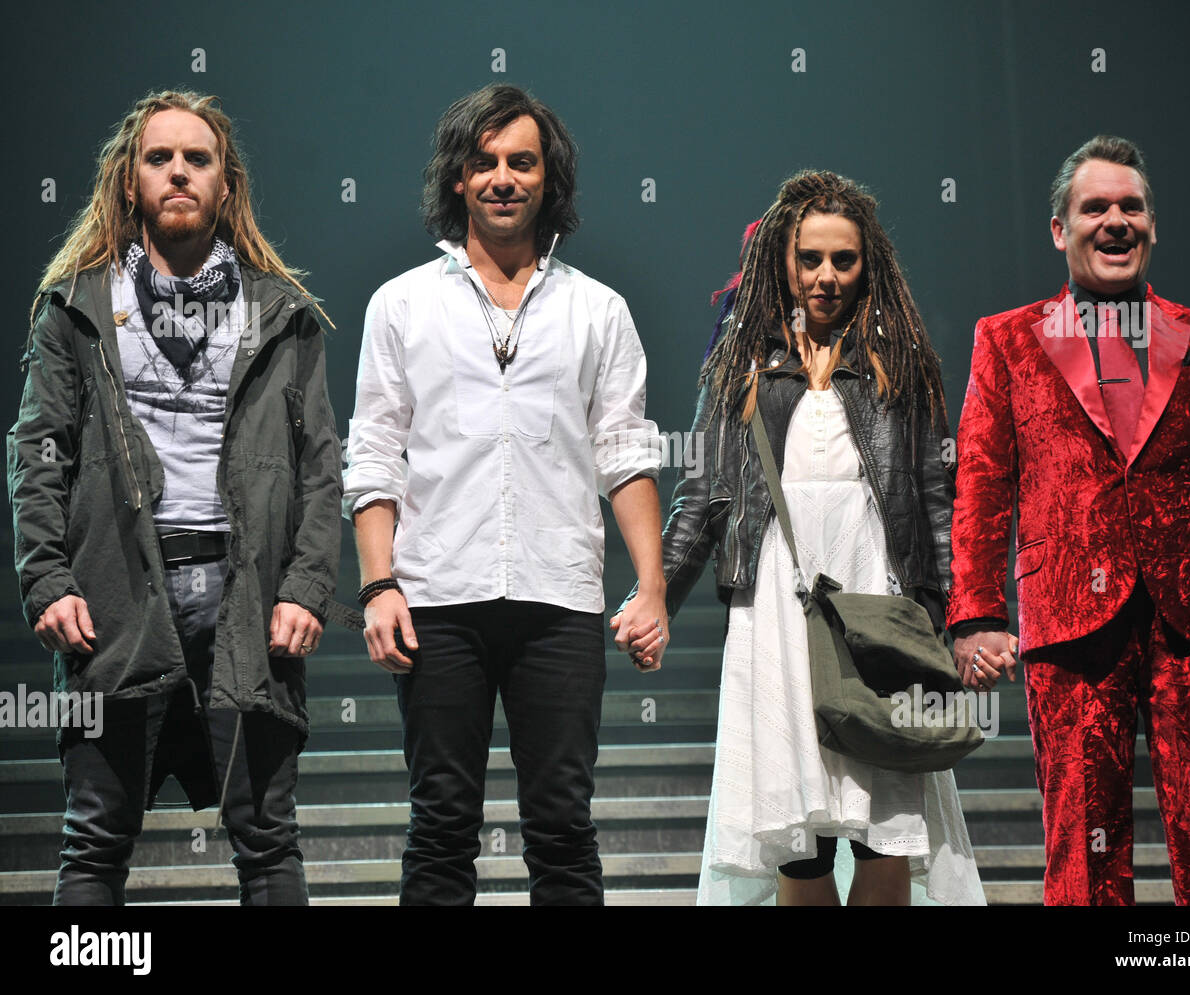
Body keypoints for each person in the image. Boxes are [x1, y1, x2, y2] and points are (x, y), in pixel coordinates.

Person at [7, 90, 345, 905]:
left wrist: (306, 587)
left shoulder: (281, 312)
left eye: (198, 159)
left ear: (225, 184)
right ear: (130, 181)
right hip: (120, 592)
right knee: (95, 839)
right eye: (160, 158)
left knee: (267, 841)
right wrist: (45, 577)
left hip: (247, 595)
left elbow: (321, 466)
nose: (179, 173)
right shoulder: (76, 305)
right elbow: (36, 449)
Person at [617, 171, 984, 906]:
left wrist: (965, 618)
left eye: (843, 260)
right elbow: (705, 501)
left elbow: (935, 500)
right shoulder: (738, 370)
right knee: (800, 842)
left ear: (866, 264)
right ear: (783, 262)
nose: (826, 276)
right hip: (776, 611)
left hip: (876, 601)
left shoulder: (903, 364)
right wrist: (656, 594)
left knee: (883, 823)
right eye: (810, 258)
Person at [344, 83, 666, 906]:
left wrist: (653, 586)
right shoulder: (402, 304)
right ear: (456, 177)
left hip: (559, 599)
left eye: (521, 162)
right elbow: (375, 454)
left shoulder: (599, 310)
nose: (501, 177)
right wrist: (378, 584)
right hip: (436, 597)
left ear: (547, 178)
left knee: (562, 827)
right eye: (483, 162)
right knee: (441, 824)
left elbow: (625, 455)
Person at [947, 135, 1190, 905]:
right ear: (1060, 230)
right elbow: (983, 482)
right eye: (1094, 207)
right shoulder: (1007, 340)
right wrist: (975, 613)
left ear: (1153, 226)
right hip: (1070, 621)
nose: (1115, 220)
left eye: (1131, 206)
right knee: (1082, 848)